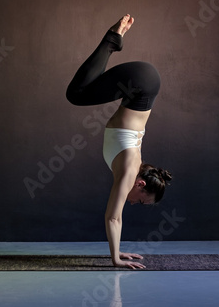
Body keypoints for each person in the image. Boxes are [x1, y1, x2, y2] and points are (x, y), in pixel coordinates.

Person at [66, 14, 172, 269]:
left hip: (144, 84)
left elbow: (116, 215)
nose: (133, 202)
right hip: (141, 83)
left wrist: (119, 250)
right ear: (140, 183)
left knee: (81, 92)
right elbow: (113, 218)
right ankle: (112, 39)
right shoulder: (128, 170)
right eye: (141, 199)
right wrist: (115, 258)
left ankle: (114, 38)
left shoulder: (133, 164)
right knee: (76, 94)